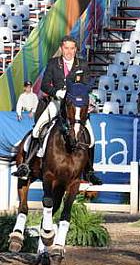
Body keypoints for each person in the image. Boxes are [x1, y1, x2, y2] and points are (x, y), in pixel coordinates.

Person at [12, 35, 102, 185]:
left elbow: (87, 86)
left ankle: (90, 171)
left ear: (76, 49)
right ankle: (26, 165)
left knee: (91, 138)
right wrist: (56, 92)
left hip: (74, 106)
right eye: (66, 48)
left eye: (72, 48)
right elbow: (45, 85)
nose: (69, 51)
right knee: (37, 130)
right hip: (56, 102)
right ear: (61, 48)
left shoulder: (83, 65)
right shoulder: (54, 63)